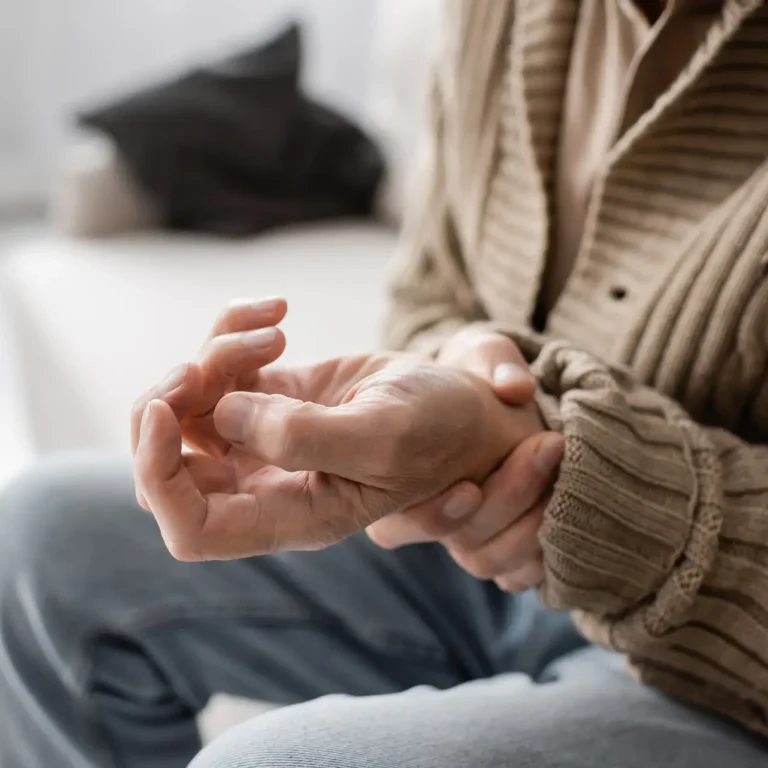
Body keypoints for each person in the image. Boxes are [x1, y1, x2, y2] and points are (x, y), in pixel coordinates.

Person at [2, 0, 768, 765]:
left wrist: (582, 486)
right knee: (37, 544)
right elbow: (433, 290)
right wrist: (452, 386)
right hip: (482, 570)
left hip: (726, 653)